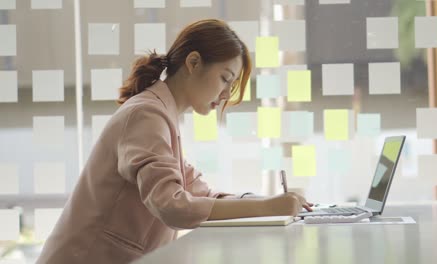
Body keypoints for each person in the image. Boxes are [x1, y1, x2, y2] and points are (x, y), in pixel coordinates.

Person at [36, 19, 313, 264]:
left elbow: (201, 194)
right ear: (193, 63)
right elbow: (173, 205)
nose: (227, 93)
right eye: (225, 79)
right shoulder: (146, 114)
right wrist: (268, 207)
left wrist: (273, 201)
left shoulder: (161, 114)